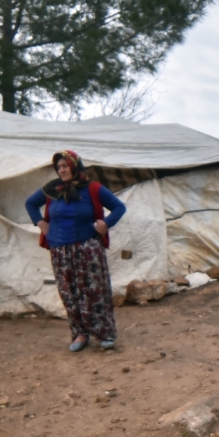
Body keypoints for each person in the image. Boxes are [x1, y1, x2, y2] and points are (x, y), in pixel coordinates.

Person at [26, 151, 127, 353]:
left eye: (65, 166)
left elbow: (119, 207)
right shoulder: (52, 189)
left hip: (87, 249)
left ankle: (104, 333)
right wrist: (41, 224)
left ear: (75, 166)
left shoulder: (93, 188)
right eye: (59, 167)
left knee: (94, 291)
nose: (62, 170)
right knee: (69, 293)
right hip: (60, 251)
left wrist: (106, 224)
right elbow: (30, 203)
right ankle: (80, 334)